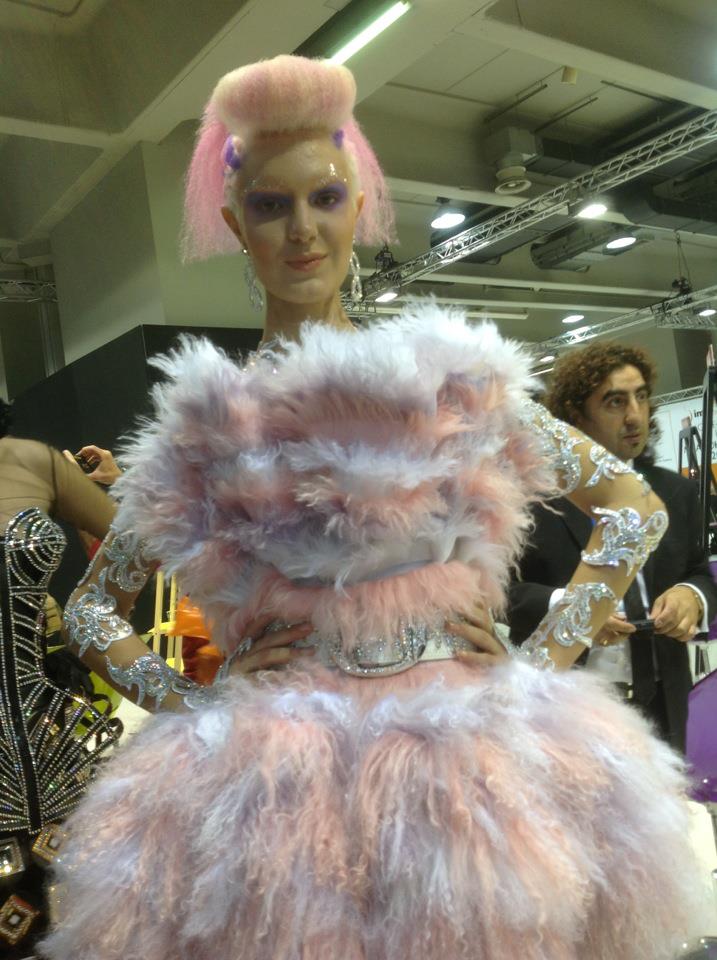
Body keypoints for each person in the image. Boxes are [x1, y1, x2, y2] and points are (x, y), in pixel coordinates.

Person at [41, 56, 706, 960]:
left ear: (357, 206)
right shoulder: (207, 425)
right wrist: (192, 702)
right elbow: (90, 608)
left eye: (324, 198)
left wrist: (539, 662)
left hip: (465, 754)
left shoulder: (448, 386)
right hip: (274, 776)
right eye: (270, 206)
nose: (301, 229)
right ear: (236, 224)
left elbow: (632, 508)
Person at [508, 342, 717, 752]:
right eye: (615, 402)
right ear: (576, 415)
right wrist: (574, 609)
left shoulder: (676, 493)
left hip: (665, 701)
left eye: (641, 396)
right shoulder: (530, 503)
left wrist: (692, 596)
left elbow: (699, 572)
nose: (635, 415)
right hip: (571, 706)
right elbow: (501, 596)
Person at [0, 405, 122, 957]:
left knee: (80, 926)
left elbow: (148, 546)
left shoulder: (34, 463)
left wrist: (121, 486)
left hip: (52, 760)